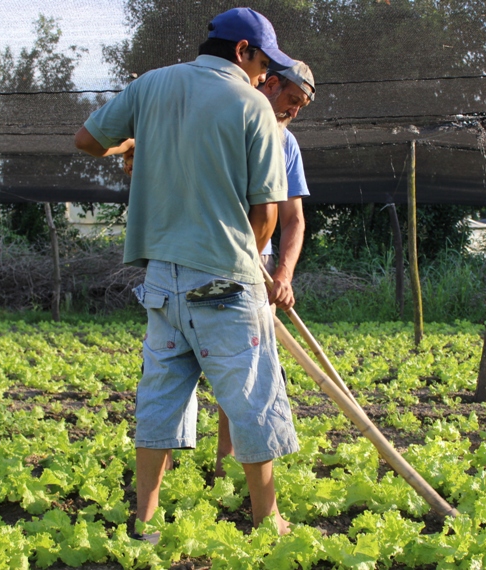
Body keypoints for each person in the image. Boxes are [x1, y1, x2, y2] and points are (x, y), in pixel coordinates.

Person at [74, 8, 298, 538]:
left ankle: (143, 520)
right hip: (224, 279)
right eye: (264, 64)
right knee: (253, 397)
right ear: (243, 51)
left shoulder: (151, 85)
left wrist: (129, 144)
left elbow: (86, 141)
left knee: (160, 397)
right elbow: (267, 215)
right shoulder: (252, 106)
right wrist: (251, 264)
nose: (266, 77)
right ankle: (268, 520)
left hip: (162, 282)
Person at [215, 60, 315, 478]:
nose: (294, 110)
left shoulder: (285, 143)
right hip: (204, 256)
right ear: (270, 84)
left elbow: (293, 219)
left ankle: (224, 466)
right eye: (292, 99)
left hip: (257, 265)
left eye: (301, 106)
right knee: (185, 368)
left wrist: (284, 276)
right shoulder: (224, 120)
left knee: (245, 368)